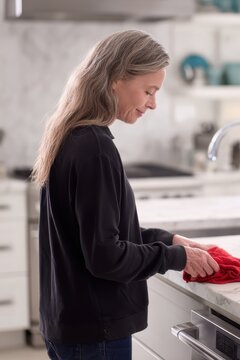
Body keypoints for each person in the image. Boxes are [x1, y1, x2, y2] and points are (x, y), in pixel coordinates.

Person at [32, 30, 220, 360]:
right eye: (148, 90)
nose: (153, 103)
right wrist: (175, 258)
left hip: (68, 322)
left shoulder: (71, 134)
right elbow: (106, 256)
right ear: (117, 78)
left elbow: (95, 237)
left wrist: (171, 240)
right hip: (95, 331)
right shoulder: (96, 148)